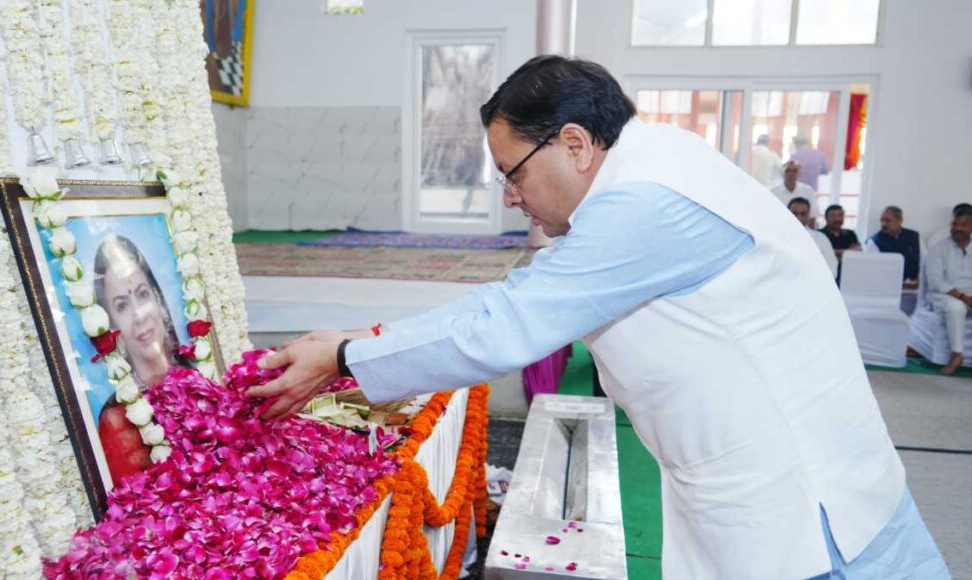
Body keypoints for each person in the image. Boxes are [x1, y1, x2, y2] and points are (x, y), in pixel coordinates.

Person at [249, 57, 947, 579]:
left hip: (807, 516)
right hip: (764, 487)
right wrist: (358, 343)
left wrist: (343, 357)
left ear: (576, 144)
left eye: (513, 172)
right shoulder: (653, 166)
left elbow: (506, 324)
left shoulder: (644, 204)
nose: (511, 197)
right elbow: (519, 297)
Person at [93, 234, 181, 484]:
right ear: (112, 325)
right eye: (122, 306)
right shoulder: (118, 418)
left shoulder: (199, 377)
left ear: (157, 297)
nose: (140, 315)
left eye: (142, 295)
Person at [924, 207, 972, 375]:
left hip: (969, 296)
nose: (957, 228)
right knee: (956, 308)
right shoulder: (938, 248)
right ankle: (957, 355)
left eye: (963, 225)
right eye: (954, 224)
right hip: (946, 295)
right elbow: (936, 282)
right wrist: (963, 296)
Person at [866, 206, 922, 283]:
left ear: (900, 221)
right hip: (886, 284)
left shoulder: (914, 237)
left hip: (913, 285)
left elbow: (923, 261)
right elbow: (873, 268)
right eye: (882, 220)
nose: (883, 224)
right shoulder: (874, 242)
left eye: (888, 220)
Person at [789, 197, 838, 274]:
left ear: (808, 215)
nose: (799, 217)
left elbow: (831, 267)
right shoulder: (776, 238)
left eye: (803, 214)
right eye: (794, 213)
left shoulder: (821, 239)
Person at [771, 160, 820, 226]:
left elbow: (813, 216)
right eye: (788, 171)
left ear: (799, 174)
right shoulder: (773, 193)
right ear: (782, 174)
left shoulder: (808, 191)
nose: (791, 174)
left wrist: (808, 232)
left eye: (795, 171)